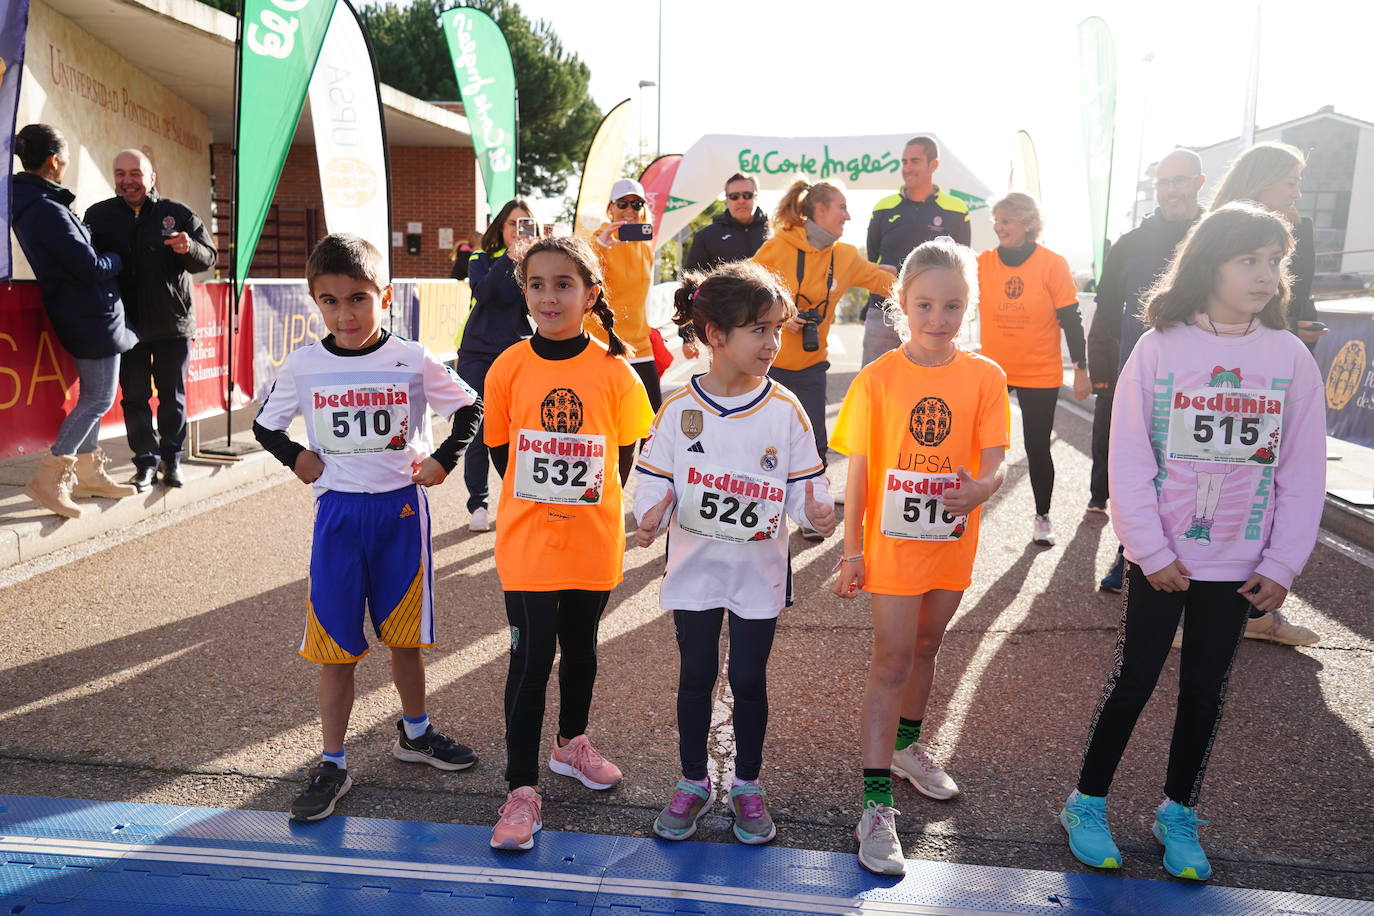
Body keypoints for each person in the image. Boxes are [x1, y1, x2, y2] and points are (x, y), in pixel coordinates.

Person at [1059, 203, 1326, 882]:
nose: (1266, 274)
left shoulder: (1289, 357)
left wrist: (1283, 561)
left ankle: (1177, 811)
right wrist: (1149, 550)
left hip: (1242, 563)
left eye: (1275, 260)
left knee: (1205, 691)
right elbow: (1129, 457)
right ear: (1210, 263)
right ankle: (1086, 804)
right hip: (1165, 560)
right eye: (1250, 259)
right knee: (1136, 680)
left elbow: (1301, 468)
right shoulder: (1161, 347)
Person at [252, 234, 483, 823]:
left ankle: (415, 731)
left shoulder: (411, 357)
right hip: (338, 517)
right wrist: (297, 457)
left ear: (385, 296)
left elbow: (469, 406)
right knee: (336, 647)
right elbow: (266, 425)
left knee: (404, 639)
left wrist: (442, 462)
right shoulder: (304, 364)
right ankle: (333, 761)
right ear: (314, 303)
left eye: (357, 298)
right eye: (328, 301)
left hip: (400, 513)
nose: (344, 313)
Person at [632, 261, 836, 846]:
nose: (774, 342)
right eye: (760, 329)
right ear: (715, 335)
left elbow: (804, 487)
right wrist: (651, 511)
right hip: (694, 573)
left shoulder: (785, 408)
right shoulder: (677, 408)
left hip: (758, 576)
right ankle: (693, 780)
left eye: (778, 328)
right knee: (695, 675)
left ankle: (747, 783)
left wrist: (815, 511)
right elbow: (653, 477)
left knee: (749, 679)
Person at [831, 238, 1010, 876]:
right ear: (903, 304)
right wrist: (851, 551)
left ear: (970, 307)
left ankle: (908, 749)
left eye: (953, 306)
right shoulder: (879, 379)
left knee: (930, 650)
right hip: (892, 546)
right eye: (926, 305)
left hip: (952, 541)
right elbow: (859, 473)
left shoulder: (986, 376)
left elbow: (993, 455)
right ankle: (874, 804)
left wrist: (983, 488)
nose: (938, 318)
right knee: (892, 660)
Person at [483, 236, 655, 851]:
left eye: (563, 284)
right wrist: (548, 501)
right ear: (523, 292)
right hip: (529, 544)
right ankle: (521, 789)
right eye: (536, 284)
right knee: (530, 662)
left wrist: (586, 503)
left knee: (580, 648)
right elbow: (502, 453)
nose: (548, 296)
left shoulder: (615, 371)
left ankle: (570, 745)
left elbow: (628, 451)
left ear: (590, 294)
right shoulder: (508, 365)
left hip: (593, 540)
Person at [1088, 150, 1205, 593]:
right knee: (1137, 469)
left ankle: (1207, 563)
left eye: (1181, 180)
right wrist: (1101, 376)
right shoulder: (1130, 244)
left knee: (1194, 475)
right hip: (1140, 378)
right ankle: (1130, 557)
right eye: (1164, 182)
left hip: (1202, 381)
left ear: (1199, 181)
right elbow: (1104, 312)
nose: (1172, 189)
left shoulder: (1217, 238)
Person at [10, 124, 139, 518]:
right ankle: (51, 477)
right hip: (91, 314)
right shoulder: (46, 208)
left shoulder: (38, 203)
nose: (66, 165)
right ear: (54, 161)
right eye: (65, 159)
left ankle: (87, 473)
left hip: (86, 312)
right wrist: (119, 257)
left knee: (96, 397)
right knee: (98, 398)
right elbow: (89, 266)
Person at [752, 180, 895, 528]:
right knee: (765, 445)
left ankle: (810, 515)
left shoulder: (844, 256)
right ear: (819, 211)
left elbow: (887, 284)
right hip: (767, 369)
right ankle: (760, 513)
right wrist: (780, 315)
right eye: (841, 207)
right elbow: (744, 290)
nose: (848, 215)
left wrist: (937, 285)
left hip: (812, 367)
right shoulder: (776, 248)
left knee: (815, 444)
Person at [86, 149, 216, 490]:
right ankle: (144, 462)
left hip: (173, 323)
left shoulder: (177, 213)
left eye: (135, 173)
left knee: (172, 397)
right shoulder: (98, 216)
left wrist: (189, 248)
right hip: (125, 325)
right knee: (134, 397)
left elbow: (208, 258)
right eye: (120, 173)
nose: (127, 181)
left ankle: (172, 460)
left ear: (151, 178)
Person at [976, 192, 1090, 547]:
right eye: (996, 220)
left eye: (1006, 221)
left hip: (1039, 371)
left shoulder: (1052, 264)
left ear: (1027, 223)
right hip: (994, 370)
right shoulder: (983, 262)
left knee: (1037, 446)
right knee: (977, 443)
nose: (998, 227)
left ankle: (1042, 516)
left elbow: (1071, 319)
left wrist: (1081, 368)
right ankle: (965, 509)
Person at [455, 200, 537, 533]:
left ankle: (517, 499)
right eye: (511, 224)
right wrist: (509, 258)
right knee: (475, 430)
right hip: (477, 352)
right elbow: (484, 293)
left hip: (517, 353)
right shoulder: (480, 258)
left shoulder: (537, 263)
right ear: (500, 228)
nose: (518, 231)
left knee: (519, 431)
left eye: (524, 224)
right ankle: (479, 503)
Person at [862, 136, 972, 367]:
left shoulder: (956, 209)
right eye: (904, 162)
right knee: (875, 383)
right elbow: (873, 259)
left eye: (914, 161)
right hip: (882, 310)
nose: (907, 168)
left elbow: (962, 267)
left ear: (934, 165)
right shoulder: (883, 207)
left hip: (933, 315)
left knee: (928, 385)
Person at [1209, 142, 1327, 352]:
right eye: (1291, 183)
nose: (1297, 194)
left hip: (1272, 360)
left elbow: (1298, 299)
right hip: (1225, 359)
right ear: (1262, 181)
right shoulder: (1216, 235)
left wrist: (1299, 326)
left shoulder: (1289, 230)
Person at [589, 178, 661, 410]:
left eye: (636, 204)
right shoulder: (596, 241)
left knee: (651, 420)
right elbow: (579, 274)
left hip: (640, 344)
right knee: (609, 420)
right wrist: (601, 244)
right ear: (610, 208)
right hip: (604, 344)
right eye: (622, 204)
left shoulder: (645, 247)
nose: (629, 210)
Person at [683, 173, 770, 273]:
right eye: (734, 196)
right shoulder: (706, 237)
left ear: (756, 197)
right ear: (726, 201)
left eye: (747, 195)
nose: (741, 201)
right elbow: (691, 280)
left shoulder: (775, 233)